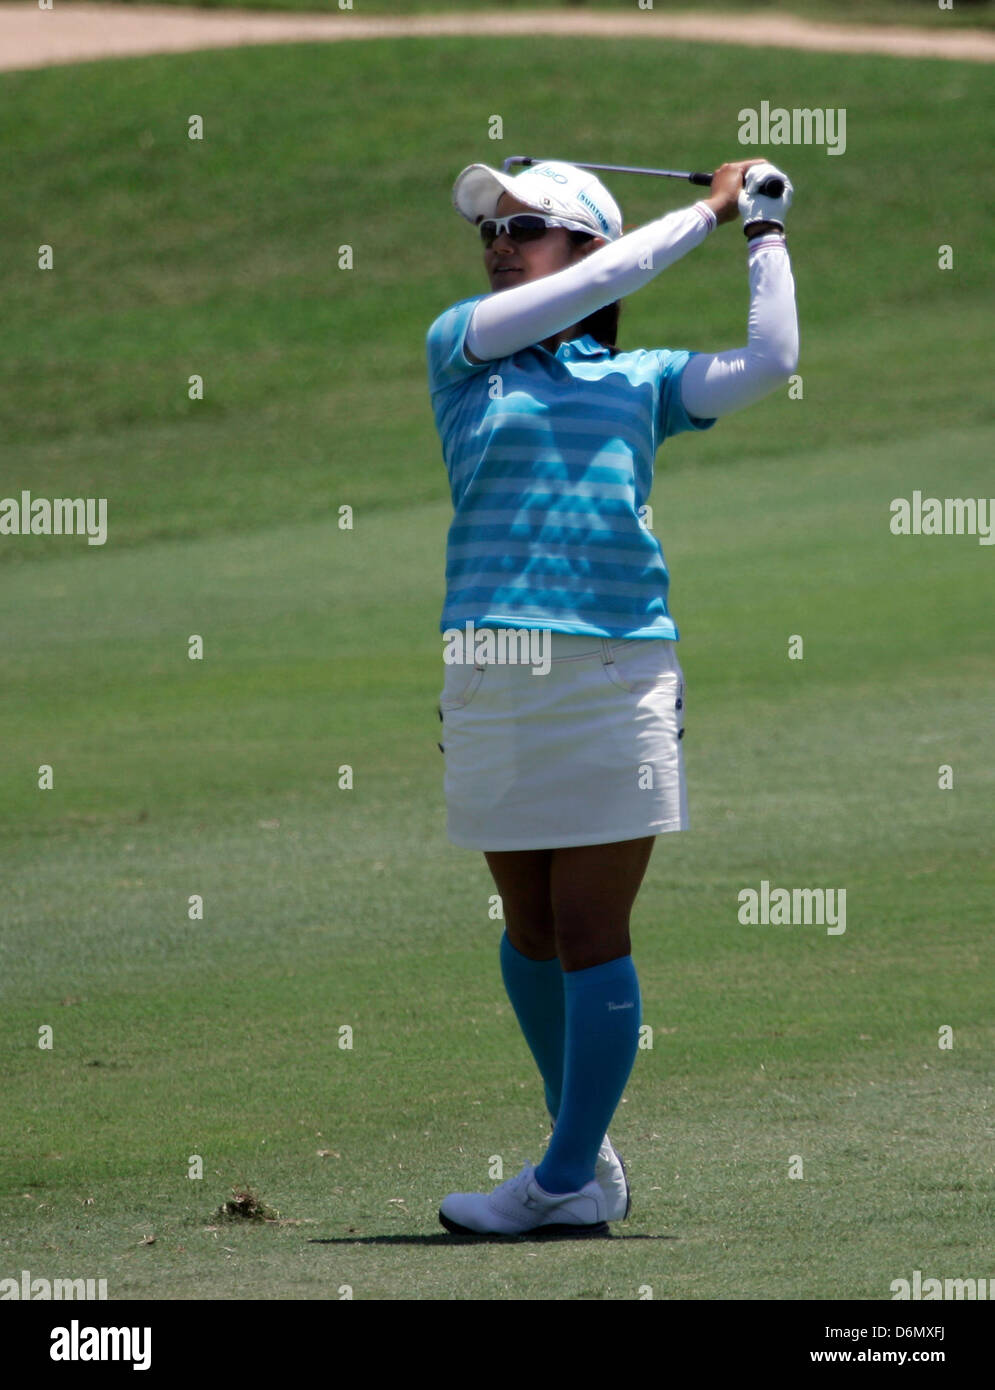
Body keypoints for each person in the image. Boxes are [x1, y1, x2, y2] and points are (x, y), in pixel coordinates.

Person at [425, 156, 798, 1236]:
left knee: (591, 926)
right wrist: (708, 206)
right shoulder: (463, 346)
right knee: (529, 926)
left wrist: (759, 230)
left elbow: (772, 357)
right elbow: (585, 293)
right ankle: (577, 1151)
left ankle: (560, 1177)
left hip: (612, 672)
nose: (500, 242)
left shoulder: (642, 383)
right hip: (487, 667)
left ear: (588, 245)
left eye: (527, 226)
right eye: (492, 229)